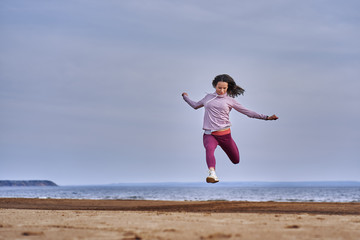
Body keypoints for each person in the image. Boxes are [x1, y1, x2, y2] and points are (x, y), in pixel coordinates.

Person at [182, 74, 278, 183]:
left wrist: (266, 117)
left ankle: (214, 172)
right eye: (219, 88)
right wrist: (185, 97)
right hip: (209, 134)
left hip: (225, 135)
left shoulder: (230, 101)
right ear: (215, 86)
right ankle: (212, 173)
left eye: (224, 88)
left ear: (227, 88)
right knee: (209, 149)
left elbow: (248, 112)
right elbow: (195, 105)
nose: (222, 90)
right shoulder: (208, 98)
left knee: (236, 160)